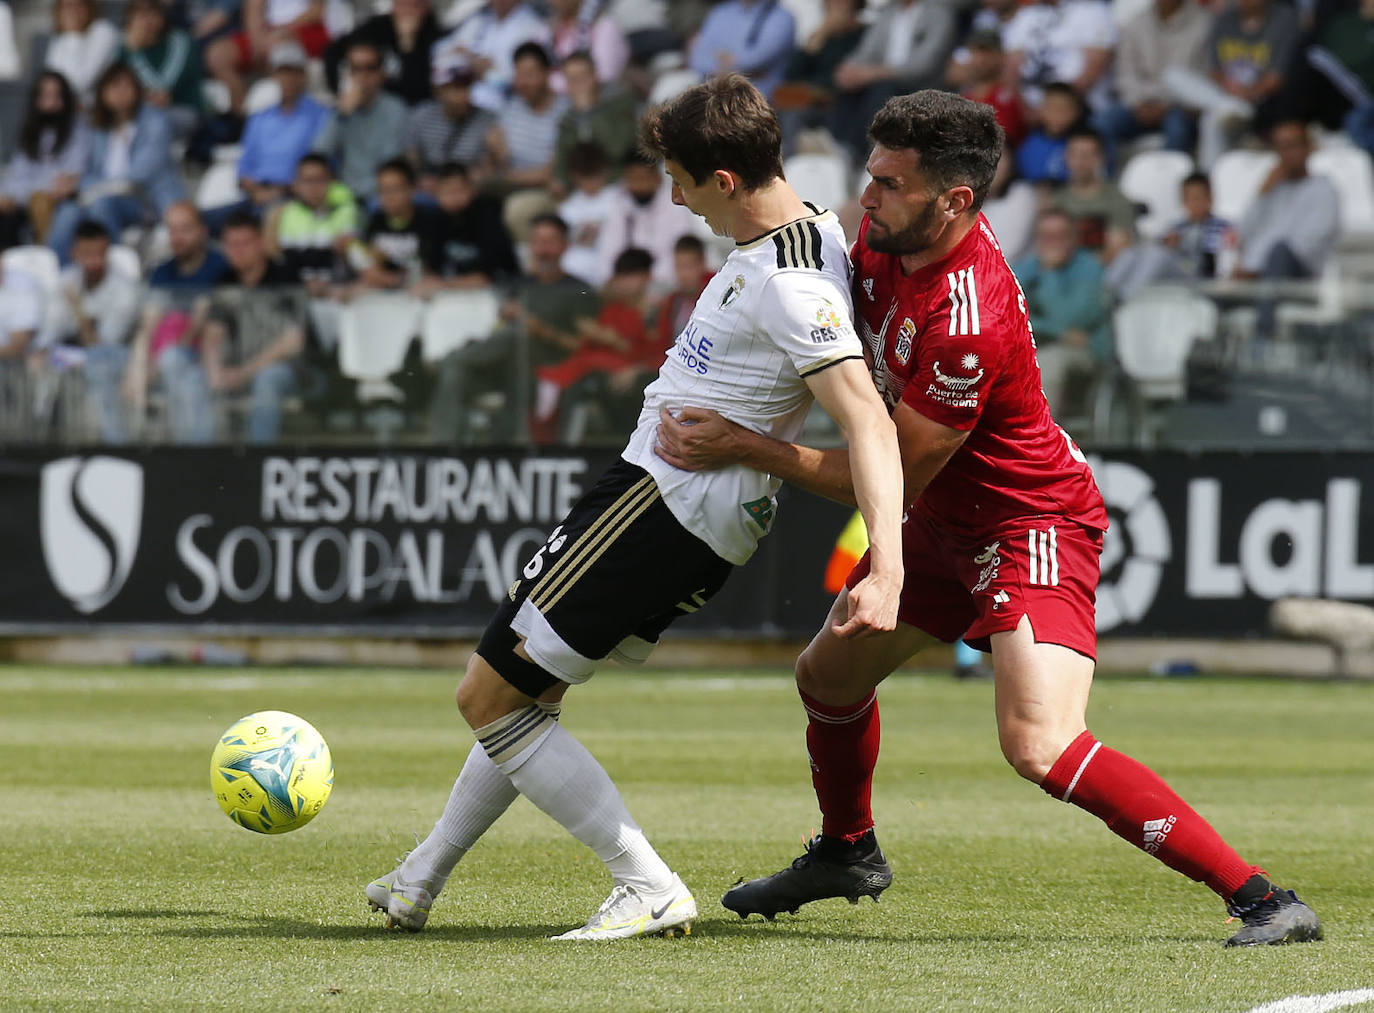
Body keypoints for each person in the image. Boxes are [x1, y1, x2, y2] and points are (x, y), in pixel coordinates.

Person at [655, 89, 1321, 949]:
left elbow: (882, 470)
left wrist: (748, 445)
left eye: (890, 184)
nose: (868, 197)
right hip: (942, 518)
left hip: (1026, 522)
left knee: (1039, 743)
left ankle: (1263, 897)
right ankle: (846, 850)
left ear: (956, 200)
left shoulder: (968, 323)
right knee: (826, 678)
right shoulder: (887, 237)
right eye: (870, 175)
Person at [366, 74, 905, 942]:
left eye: (679, 179)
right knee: (527, 691)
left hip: (663, 502)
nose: (673, 195)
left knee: (489, 696)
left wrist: (887, 560)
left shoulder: (790, 283)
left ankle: (645, 884)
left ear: (722, 180)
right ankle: (419, 879)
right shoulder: (809, 232)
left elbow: (869, 422)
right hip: (679, 505)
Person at [429, 212, 593, 445]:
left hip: (547, 366)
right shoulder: (520, 284)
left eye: (550, 242)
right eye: (537, 242)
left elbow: (581, 346)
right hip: (504, 367)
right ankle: (442, 449)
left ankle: (451, 359)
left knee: (515, 335)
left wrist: (538, 328)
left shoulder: (578, 290)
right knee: (455, 373)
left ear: (565, 246)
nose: (543, 250)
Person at [47, 62, 187, 262]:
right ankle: (62, 274)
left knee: (102, 206)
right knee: (67, 212)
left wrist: (88, 187)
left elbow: (140, 173)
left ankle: (111, 268)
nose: (120, 93)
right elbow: (91, 170)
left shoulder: (155, 120)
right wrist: (76, 185)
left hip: (145, 199)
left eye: (126, 86)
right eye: (114, 87)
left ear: (137, 90)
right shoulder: (99, 128)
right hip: (104, 195)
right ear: (103, 93)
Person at [199, 210, 308, 442]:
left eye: (245, 243)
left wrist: (246, 372)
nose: (238, 251)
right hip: (238, 369)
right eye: (231, 244)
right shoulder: (224, 281)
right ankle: (199, 456)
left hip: (290, 370)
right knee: (195, 378)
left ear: (260, 242)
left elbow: (293, 342)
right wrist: (215, 372)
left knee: (268, 378)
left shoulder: (286, 278)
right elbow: (213, 335)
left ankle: (259, 456)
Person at [212, 40, 330, 231]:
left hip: (294, 197)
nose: (288, 78)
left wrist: (280, 191)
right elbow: (244, 165)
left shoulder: (321, 116)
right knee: (203, 222)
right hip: (255, 195)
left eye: (293, 71)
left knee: (263, 222)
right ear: (274, 75)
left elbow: (316, 165)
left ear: (303, 75)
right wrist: (254, 189)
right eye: (282, 72)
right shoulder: (259, 118)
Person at [47, 219, 142, 442]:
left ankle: (115, 444)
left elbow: (102, 344)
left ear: (107, 250)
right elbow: (51, 332)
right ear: (74, 253)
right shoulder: (65, 280)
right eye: (86, 253)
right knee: (39, 361)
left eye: (99, 253)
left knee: (98, 363)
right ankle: (46, 438)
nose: (93, 260)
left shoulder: (125, 290)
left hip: (119, 358)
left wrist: (77, 309)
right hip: (71, 355)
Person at [828, 0, 958, 162]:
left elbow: (924, 65)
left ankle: (872, 149)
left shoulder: (939, 13)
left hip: (919, 86)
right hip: (879, 79)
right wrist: (848, 69)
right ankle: (838, 147)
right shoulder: (888, 12)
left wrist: (873, 74)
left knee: (880, 89)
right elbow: (866, 50)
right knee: (848, 86)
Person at [1013, 207, 1112, 415]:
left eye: (1060, 235)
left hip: (1087, 351)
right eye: (1046, 236)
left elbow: (1070, 318)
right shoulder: (1025, 267)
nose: (1053, 242)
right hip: (1045, 344)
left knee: (1046, 362)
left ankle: (1040, 440)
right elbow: (1009, 315)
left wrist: (1050, 274)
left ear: (1073, 238)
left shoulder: (1089, 268)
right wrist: (1058, 332)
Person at [1235, 121, 1340, 283]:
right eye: (1280, 147)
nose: (1286, 154)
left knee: (1280, 252)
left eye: (1292, 146)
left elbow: (1309, 243)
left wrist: (1258, 268)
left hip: (1296, 274)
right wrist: (1262, 194)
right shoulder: (1272, 188)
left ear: (1307, 148)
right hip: (1252, 274)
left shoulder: (1323, 189)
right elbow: (1242, 233)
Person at [311, 40, 409, 202]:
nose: (363, 76)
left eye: (370, 68)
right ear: (349, 73)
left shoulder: (396, 109)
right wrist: (341, 115)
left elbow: (391, 158)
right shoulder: (341, 109)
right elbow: (319, 154)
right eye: (356, 68)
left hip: (382, 195)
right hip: (345, 195)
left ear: (381, 73)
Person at [0, 71, 89, 247]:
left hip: (61, 200)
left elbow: (68, 177)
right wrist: (9, 196)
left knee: (40, 202)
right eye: (46, 95)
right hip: (26, 200)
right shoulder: (31, 133)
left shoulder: (78, 130)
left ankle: (46, 258)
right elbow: (17, 174)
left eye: (57, 96)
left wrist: (23, 193)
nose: (51, 103)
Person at [594, 150, 699, 290]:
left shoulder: (675, 205)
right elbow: (607, 254)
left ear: (657, 177)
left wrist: (644, 282)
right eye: (634, 179)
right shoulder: (619, 202)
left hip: (663, 285)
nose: (639, 185)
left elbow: (678, 255)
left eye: (644, 178)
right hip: (625, 285)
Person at [416, 161, 519, 295]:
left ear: (472, 190)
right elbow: (431, 268)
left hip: (499, 290)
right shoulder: (435, 220)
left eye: (459, 191)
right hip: (454, 292)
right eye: (447, 192)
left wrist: (444, 284)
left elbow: (487, 276)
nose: (454, 198)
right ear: (436, 194)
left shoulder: (487, 215)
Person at [432, 0, 550, 113]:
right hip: (463, 100)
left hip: (499, 108)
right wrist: (474, 63)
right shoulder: (480, 18)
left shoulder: (531, 26)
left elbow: (515, 80)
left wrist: (485, 72)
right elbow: (442, 51)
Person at [324, 0, 442, 106]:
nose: (408, 12)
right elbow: (332, 52)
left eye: (415, 6)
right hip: (374, 102)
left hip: (413, 107)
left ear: (426, 7)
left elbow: (419, 89)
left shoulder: (434, 34)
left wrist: (408, 43)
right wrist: (339, 93)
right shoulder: (378, 26)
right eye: (403, 5)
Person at [552, 51, 639, 193]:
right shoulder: (567, 118)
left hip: (619, 183)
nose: (578, 84)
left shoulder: (620, 102)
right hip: (581, 190)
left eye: (582, 77)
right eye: (572, 79)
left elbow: (617, 149)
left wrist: (589, 111)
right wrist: (560, 183)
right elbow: (563, 162)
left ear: (594, 76)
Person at [120, 0, 205, 141]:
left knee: (153, 124)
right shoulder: (125, 49)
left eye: (153, 13)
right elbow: (117, 84)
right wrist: (132, 51)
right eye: (141, 15)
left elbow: (170, 86)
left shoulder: (182, 42)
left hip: (181, 109)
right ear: (131, 19)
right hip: (141, 114)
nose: (148, 21)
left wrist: (155, 97)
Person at [687, 0, 796, 99]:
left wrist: (721, 62)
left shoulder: (782, 17)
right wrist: (728, 68)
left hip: (758, 97)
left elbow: (757, 59)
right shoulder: (720, 12)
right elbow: (697, 58)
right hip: (710, 92)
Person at [1161, 171, 1237, 280]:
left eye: (1199, 198)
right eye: (1191, 199)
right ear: (1183, 201)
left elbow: (1227, 257)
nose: (1196, 203)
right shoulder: (1175, 229)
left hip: (1213, 277)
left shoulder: (1225, 227)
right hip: (1183, 277)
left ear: (1210, 198)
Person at [46, 0, 121, 101]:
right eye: (67, 6)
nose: (73, 11)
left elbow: (81, 83)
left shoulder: (104, 31)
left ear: (89, 7)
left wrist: (72, 34)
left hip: (97, 110)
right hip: (68, 107)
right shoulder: (60, 39)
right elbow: (52, 82)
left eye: (79, 5)